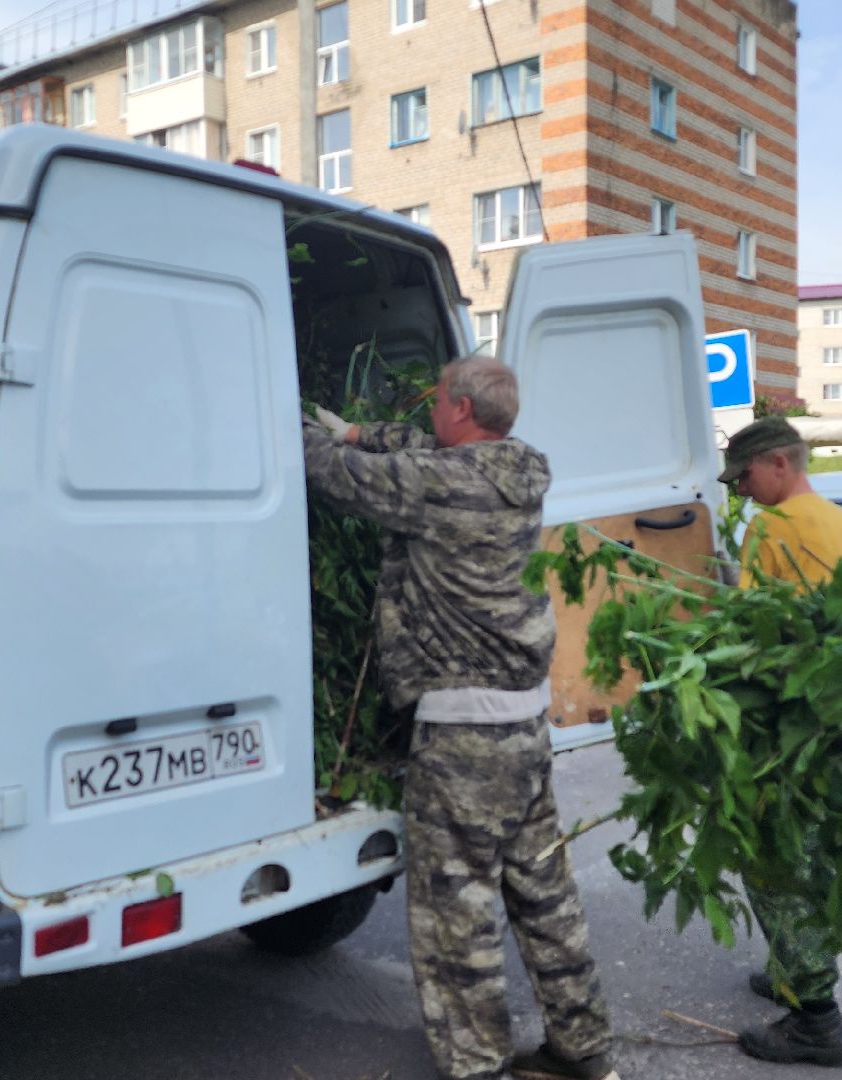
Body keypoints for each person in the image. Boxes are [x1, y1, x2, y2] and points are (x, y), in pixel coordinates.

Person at [303, 356, 618, 1080]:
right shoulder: (517, 470)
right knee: (544, 893)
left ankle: (477, 1064)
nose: (428, 410)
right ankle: (584, 1048)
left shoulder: (440, 485)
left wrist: (289, 426)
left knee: (457, 908)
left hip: (464, 735)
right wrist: (357, 429)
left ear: (462, 409)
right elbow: (414, 449)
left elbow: (336, 476)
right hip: (524, 726)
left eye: (436, 399)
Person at [717, 417, 842, 1067]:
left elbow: (750, 633)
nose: (743, 491)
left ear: (779, 463)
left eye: (746, 477)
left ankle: (816, 1021)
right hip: (829, 713)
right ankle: (791, 971)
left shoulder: (772, 527)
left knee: (775, 860)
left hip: (782, 717)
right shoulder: (838, 520)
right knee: (813, 854)